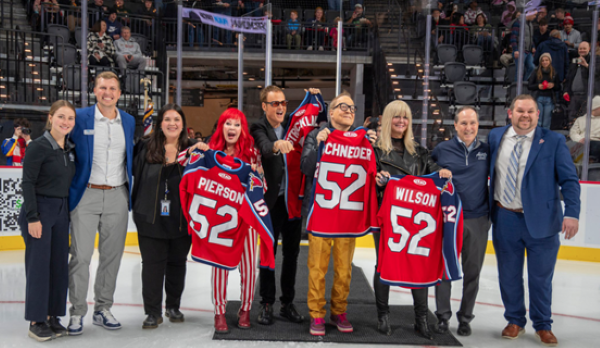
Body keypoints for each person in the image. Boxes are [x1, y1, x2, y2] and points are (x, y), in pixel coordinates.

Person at [488, 94, 580, 347]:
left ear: (538, 114)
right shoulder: (496, 136)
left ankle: (543, 325)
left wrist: (572, 212)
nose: (525, 115)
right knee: (508, 275)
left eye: (530, 111)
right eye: (520, 111)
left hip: (543, 220)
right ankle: (515, 320)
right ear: (510, 113)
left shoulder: (553, 141)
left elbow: (569, 180)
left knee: (540, 278)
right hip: (505, 217)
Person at [370, 100, 450, 338]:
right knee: (383, 264)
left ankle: (421, 320)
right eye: (396, 117)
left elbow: (434, 175)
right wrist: (376, 181)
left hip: (416, 220)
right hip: (388, 218)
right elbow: (367, 184)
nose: (401, 122)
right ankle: (383, 316)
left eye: (405, 117)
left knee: (418, 265)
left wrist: (441, 173)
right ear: (387, 120)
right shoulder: (375, 151)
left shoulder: (420, 152)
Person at [300, 91, 377, 336]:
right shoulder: (316, 134)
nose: (348, 110)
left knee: (345, 270)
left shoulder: (362, 138)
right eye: (342, 106)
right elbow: (306, 167)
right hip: (322, 214)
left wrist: (373, 144)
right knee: (317, 268)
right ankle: (316, 314)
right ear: (330, 112)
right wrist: (319, 143)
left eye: (352, 108)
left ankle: (339, 311)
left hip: (347, 216)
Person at [67, 71, 136, 335]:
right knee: (81, 257)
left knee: (112, 257)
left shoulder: (128, 121)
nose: (108, 93)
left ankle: (103, 308)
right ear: (94, 90)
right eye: (103, 88)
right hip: (86, 195)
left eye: (113, 88)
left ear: (119, 93)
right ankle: (76, 312)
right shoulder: (80, 117)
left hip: (118, 194)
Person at [193, 108, 264, 333]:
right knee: (219, 267)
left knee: (250, 268)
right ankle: (219, 311)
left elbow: (262, 188)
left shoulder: (252, 154)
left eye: (237, 124)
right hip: (220, 220)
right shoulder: (211, 152)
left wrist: (259, 175)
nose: (232, 128)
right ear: (221, 127)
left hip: (246, 219)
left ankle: (245, 309)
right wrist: (197, 152)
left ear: (242, 129)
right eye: (228, 124)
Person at [132, 104, 196, 329]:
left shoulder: (193, 150)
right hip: (150, 219)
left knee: (177, 264)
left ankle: (173, 306)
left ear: (183, 124)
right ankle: (152, 312)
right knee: (151, 266)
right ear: (160, 123)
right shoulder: (144, 148)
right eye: (167, 119)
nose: (172, 123)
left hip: (181, 220)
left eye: (177, 119)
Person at [18, 100, 76, 342]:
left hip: (62, 212)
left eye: (70, 118)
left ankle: (53, 315)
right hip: (40, 211)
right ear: (51, 118)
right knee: (39, 267)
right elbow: (27, 183)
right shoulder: (38, 147)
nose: (66, 122)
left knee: (58, 267)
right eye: (61, 117)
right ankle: (36, 320)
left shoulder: (70, 148)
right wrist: (32, 217)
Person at [431, 106, 490, 337]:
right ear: (455, 125)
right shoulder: (442, 149)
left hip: (478, 219)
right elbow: (428, 170)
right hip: (448, 219)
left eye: (473, 123)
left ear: (478, 125)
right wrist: (438, 170)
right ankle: (443, 317)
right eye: (464, 123)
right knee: (444, 269)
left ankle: (465, 318)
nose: (469, 127)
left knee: (473, 271)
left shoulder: (487, 150)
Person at [250, 85, 303, 326]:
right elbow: (262, 145)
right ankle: (266, 303)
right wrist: (275, 145)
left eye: (283, 102)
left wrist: (316, 101)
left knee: (292, 255)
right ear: (264, 106)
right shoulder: (259, 126)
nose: (280, 107)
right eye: (275, 103)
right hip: (271, 203)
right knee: (268, 255)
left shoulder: (294, 123)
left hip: (292, 201)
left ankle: (287, 303)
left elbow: (318, 117)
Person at [564, 42, 600, 122]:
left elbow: (597, 72)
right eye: (580, 49)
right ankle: (572, 133)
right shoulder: (574, 60)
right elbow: (569, 78)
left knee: (585, 118)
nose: (582, 50)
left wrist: (586, 65)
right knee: (571, 117)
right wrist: (566, 91)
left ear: (589, 49)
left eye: (584, 48)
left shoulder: (596, 59)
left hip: (587, 95)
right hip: (573, 95)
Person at [528, 53, 560, 130]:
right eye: (543, 60)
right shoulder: (536, 72)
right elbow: (529, 85)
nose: (545, 62)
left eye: (546, 60)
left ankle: (545, 138)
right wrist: (538, 86)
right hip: (538, 98)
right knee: (538, 121)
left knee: (546, 122)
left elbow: (558, 87)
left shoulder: (554, 73)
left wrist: (553, 85)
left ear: (550, 61)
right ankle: (537, 136)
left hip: (549, 99)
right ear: (540, 62)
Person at [570, 96, 600, 162]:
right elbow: (573, 133)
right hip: (583, 142)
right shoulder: (580, 120)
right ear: (595, 108)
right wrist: (580, 139)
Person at [510, 11, 536, 81]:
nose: (535, 17)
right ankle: (516, 88)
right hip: (520, 51)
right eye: (534, 15)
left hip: (528, 51)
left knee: (532, 67)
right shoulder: (518, 23)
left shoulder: (530, 24)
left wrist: (533, 46)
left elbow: (530, 37)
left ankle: (524, 83)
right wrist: (515, 50)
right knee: (519, 71)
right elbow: (513, 37)